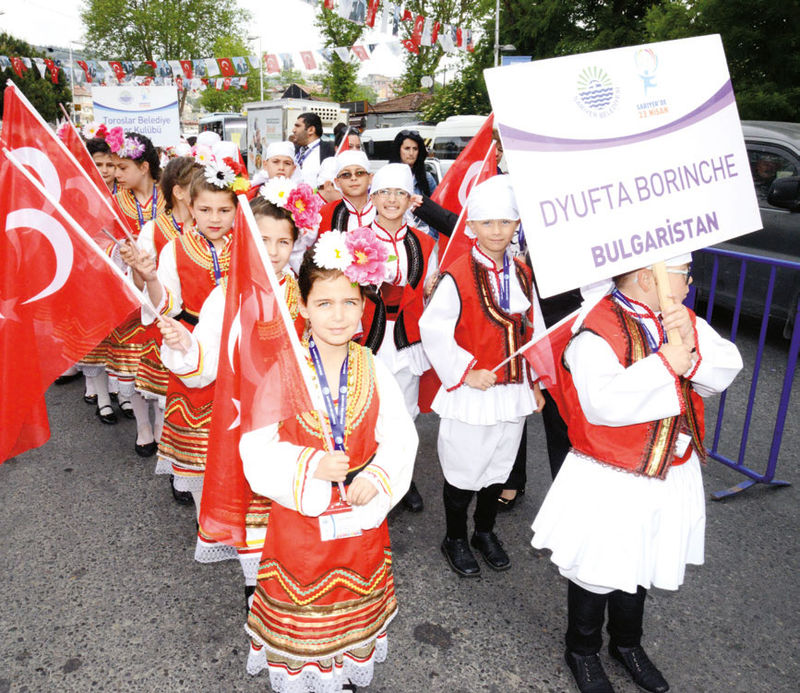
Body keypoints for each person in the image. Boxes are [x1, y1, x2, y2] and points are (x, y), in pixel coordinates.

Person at [531, 255, 742, 693]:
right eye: (684, 273)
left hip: (669, 467)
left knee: (644, 555)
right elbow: (601, 403)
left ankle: (627, 644)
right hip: (614, 473)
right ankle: (582, 650)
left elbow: (723, 372)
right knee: (599, 565)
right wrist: (665, 364)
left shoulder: (680, 318)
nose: (689, 283)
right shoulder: (596, 327)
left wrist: (689, 350)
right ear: (651, 276)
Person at [240, 234, 417, 692]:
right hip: (302, 519)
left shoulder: (372, 364)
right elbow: (255, 446)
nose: (337, 315)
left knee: (352, 601)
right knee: (306, 610)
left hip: (359, 512)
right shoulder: (284, 368)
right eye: (324, 303)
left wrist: (377, 476)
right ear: (303, 307)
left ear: (364, 308)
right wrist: (309, 465)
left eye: (348, 302)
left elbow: (400, 434)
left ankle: (343, 672)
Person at [157, 189, 311, 603]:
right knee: (252, 502)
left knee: (289, 501)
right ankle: (252, 585)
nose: (274, 252)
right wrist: (182, 344)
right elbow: (206, 363)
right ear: (245, 239)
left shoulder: (302, 291)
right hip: (246, 419)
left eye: (284, 242)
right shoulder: (226, 295)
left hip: (295, 419)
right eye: (263, 240)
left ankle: (289, 573)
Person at [419, 176, 545, 577]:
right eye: (487, 223)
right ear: (471, 225)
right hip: (473, 391)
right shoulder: (457, 274)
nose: (496, 231)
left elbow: (535, 329)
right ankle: (454, 535)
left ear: (516, 225)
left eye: (505, 223)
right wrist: (466, 371)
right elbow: (433, 329)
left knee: (499, 465)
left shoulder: (523, 272)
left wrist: (537, 381)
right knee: (464, 466)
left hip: (512, 390)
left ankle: (484, 531)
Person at [124, 155, 247, 561]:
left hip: (241, 354)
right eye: (206, 209)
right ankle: (205, 517)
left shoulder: (250, 245)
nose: (215, 218)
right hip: (194, 349)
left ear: (236, 209)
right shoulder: (176, 249)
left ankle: (239, 517)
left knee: (239, 441)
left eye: (224, 210)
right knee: (199, 449)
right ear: (190, 207)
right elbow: (166, 306)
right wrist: (151, 277)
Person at [359, 163, 438, 512]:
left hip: (406, 338)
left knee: (404, 410)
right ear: (373, 196)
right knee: (366, 407)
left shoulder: (423, 241)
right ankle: (366, 474)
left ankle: (401, 476)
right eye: (385, 192)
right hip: (367, 336)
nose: (392, 200)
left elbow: (429, 292)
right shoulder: (355, 239)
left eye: (400, 193)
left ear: (411, 200)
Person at [128, 157, 201, 473]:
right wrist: (138, 268)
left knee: (197, 401)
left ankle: (192, 465)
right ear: (182, 192)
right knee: (168, 399)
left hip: (203, 325)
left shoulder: (209, 223)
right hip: (167, 323)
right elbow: (139, 286)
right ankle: (174, 462)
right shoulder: (153, 230)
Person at [106, 131, 166, 451]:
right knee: (134, 365)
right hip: (129, 292)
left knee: (159, 364)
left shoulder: (168, 197)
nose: (117, 174)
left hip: (163, 286)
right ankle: (143, 428)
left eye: (123, 167)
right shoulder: (115, 202)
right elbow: (104, 240)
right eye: (114, 167)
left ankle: (161, 427)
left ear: (144, 167)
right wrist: (120, 254)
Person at [319, 150, 375, 232]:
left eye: (359, 173)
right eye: (346, 175)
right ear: (337, 182)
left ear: (370, 178)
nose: (353, 178)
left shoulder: (382, 209)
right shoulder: (325, 212)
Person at [292, 112, 335, 187]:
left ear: (311, 130)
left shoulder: (328, 151)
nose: (293, 130)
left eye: (298, 126)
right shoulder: (294, 150)